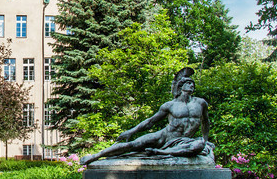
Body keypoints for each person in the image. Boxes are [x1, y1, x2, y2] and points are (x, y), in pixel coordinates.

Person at [80, 68, 211, 166]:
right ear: (181, 87)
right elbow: (150, 122)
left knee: (199, 145)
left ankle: (160, 153)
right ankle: (95, 156)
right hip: (164, 136)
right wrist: (131, 131)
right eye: (189, 83)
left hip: (183, 141)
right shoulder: (170, 105)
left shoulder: (200, 103)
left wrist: (205, 140)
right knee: (134, 144)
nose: (192, 85)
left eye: (193, 84)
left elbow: (206, 122)